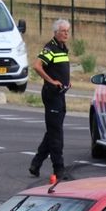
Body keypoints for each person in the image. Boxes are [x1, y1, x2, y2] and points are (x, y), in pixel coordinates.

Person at [29, 19, 73, 180]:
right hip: (52, 94)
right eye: (63, 31)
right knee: (56, 134)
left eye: (68, 31)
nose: (66, 34)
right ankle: (58, 169)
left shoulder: (62, 48)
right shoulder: (50, 48)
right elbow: (37, 66)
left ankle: (36, 163)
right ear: (55, 32)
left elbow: (60, 69)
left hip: (61, 94)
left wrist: (67, 81)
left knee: (53, 131)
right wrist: (51, 81)